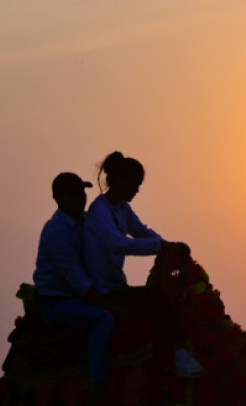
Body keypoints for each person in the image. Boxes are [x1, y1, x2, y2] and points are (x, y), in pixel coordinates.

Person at [83, 151, 205, 378]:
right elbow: (118, 244)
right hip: (103, 290)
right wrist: (161, 247)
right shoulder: (99, 210)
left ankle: (179, 353)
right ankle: (179, 356)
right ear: (120, 181)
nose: (137, 190)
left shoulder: (122, 208)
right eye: (135, 185)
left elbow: (140, 231)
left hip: (116, 286)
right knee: (154, 300)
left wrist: (168, 245)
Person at [33, 172, 121, 385]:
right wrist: (109, 305)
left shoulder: (84, 220)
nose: (81, 198)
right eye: (74, 194)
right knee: (104, 317)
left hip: (79, 294)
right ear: (58, 198)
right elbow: (78, 281)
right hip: (58, 301)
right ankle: (98, 382)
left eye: (82, 192)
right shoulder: (57, 232)